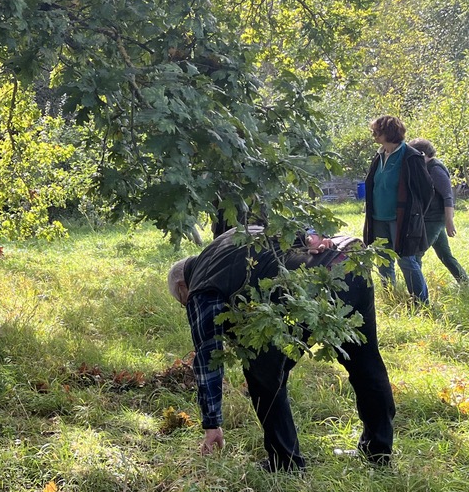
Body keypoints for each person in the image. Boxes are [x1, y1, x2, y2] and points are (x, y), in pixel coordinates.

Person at [168, 227, 395, 471]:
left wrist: (211, 423)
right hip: (350, 260)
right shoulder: (231, 236)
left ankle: (286, 463)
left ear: (183, 288)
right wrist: (312, 235)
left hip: (312, 286)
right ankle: (377, 453)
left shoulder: (201, 286)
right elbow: (285, 227)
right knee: (365, 362)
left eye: (183, 301)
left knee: (263, 374)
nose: (187, 305)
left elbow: (208, 356)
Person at [362, 115, 432, 304]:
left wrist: (415, 216)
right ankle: (391, 298)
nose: (373, 135)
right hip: (377, 218)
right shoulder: (379, 155)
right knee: (383, 260)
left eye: (376, 131)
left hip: (401, 220)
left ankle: (422, 303)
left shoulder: (411, 157)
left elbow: (426, 191)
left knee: (406, 260)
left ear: (388, 132)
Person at [409, 138, 468, 285]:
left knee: (415, 255)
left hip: (435, 220)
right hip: (428, 218)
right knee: (445, 254)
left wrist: (449, 222)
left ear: (422, 154)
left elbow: (448, 196)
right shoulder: (424, 167)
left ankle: (418, 291)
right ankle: (465, 282)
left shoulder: (435, 169)